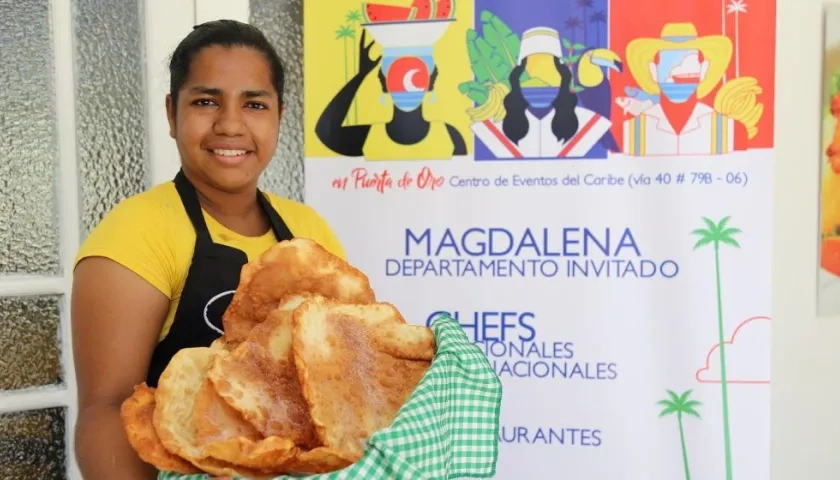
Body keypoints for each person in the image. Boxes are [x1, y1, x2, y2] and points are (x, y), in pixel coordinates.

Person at [71, 20, 345, 479]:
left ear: (280, 113)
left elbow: (339, 379)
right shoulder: (136, 233)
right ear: (171, 112)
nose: (230, 125)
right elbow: (107, 410)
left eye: (254, 104)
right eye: (205, 101)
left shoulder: (308, 231)